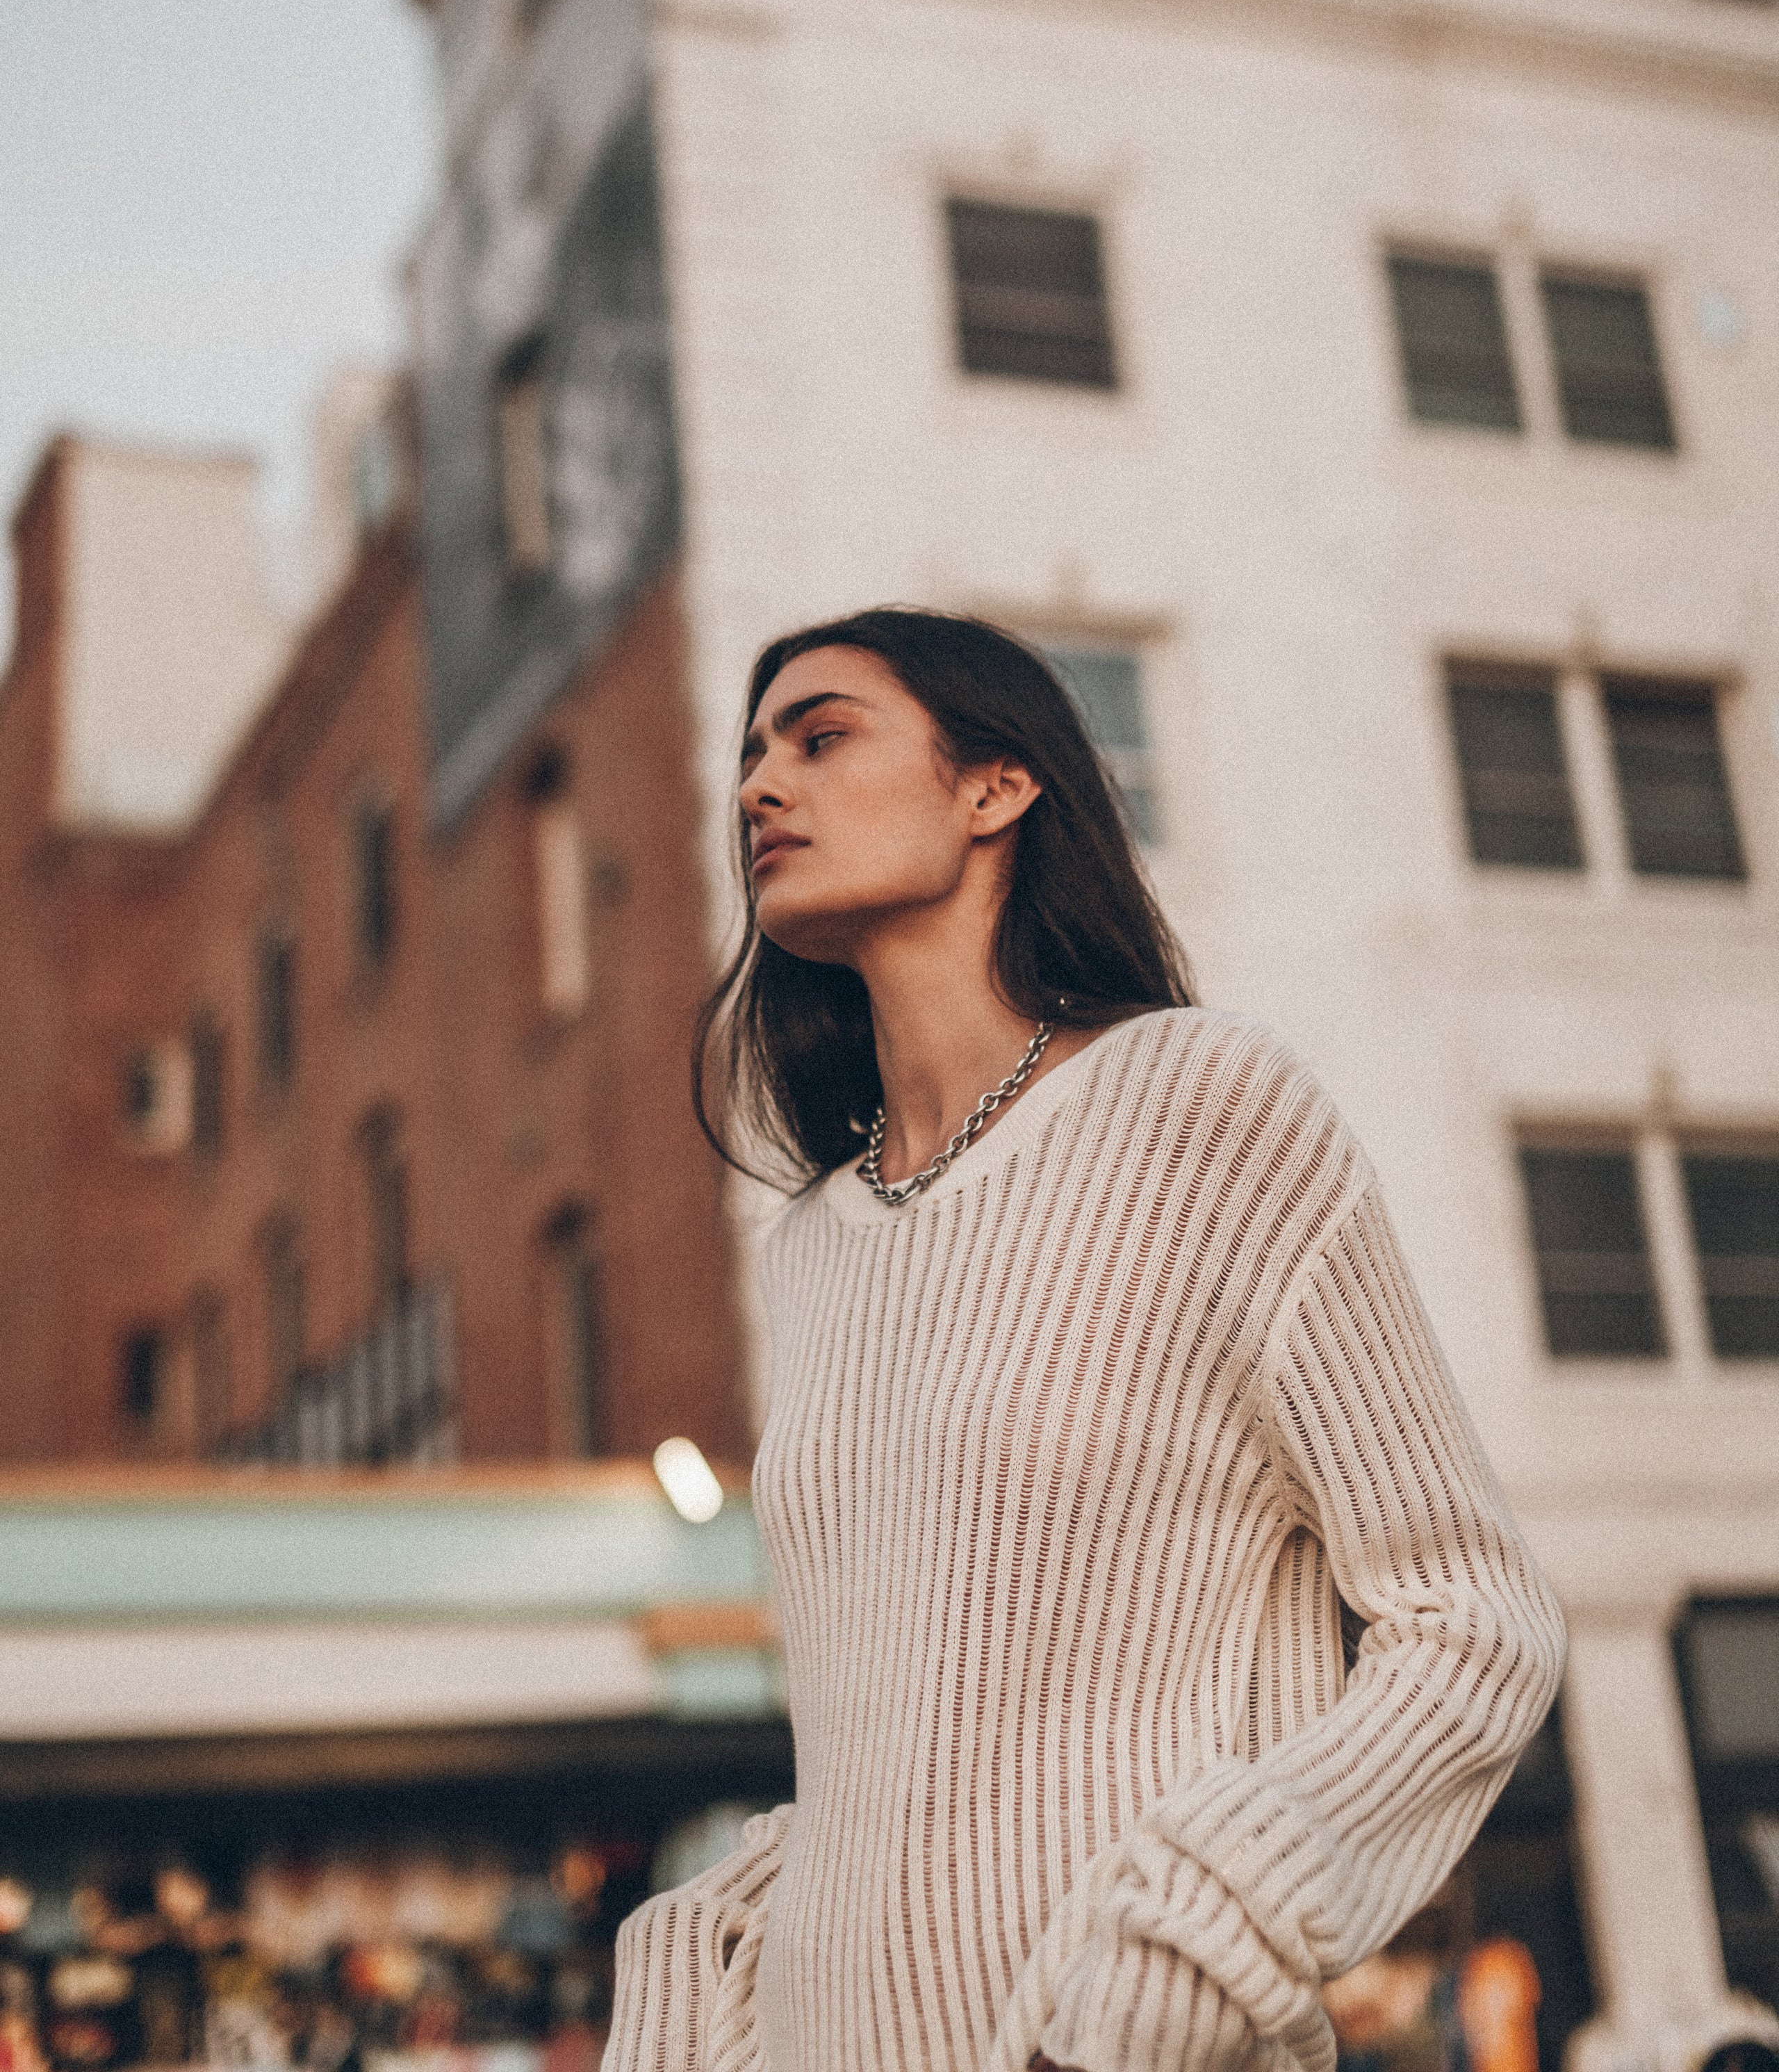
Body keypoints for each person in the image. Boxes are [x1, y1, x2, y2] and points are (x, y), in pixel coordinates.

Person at [605, 609, 1564, 2072]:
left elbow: (1471, 1624)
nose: (756, 788)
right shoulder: (808, 1244)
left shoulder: (1204, 1107)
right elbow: (893, 1752)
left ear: (995, 788)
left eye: (820, 735)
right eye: (746, 756)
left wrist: (1180, 1955)